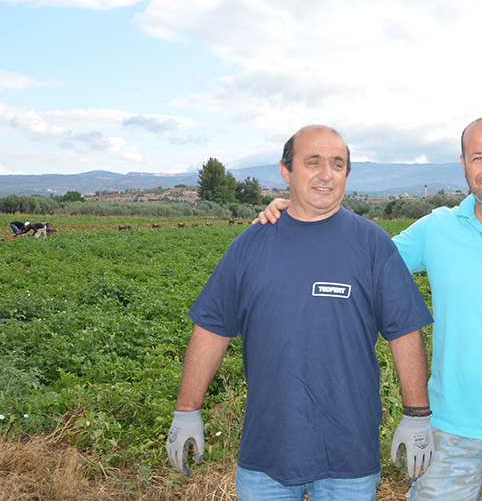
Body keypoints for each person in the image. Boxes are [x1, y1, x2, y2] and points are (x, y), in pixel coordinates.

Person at [257, 117, 482, 500]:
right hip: (445, 431)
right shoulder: (438, 228)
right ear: (463, 165)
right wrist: (300, 213)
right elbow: (359, 258)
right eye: (477, 158)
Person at [167, 125, 435, 501]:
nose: (326, 173)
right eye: (313, 162)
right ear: (285, 171)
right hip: (266, 457)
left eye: (337, 164)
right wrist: (186, 410)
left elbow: (404, 331)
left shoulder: (372, 243)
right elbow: (212, 328)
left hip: (349, 459)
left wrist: (416, 415)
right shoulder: (251, 244)